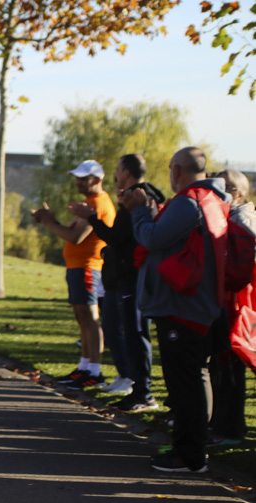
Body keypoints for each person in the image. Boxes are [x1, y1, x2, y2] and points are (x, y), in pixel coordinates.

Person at [126, 146, 226, 473]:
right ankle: (190, 448)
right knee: (193, 378)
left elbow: (152, 239)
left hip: (182, 305)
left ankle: (190, 455)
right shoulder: (210, 199)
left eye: (171, 169)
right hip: (195, 302)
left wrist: (140, 210)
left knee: (185, 383)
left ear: (178, 170)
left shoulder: (188, 201)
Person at [69, 154, 162, 411]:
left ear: (127, 173)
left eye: (118, 169)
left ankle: (143, 391)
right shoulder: (132, 198)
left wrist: (91, 218)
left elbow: (118, 237)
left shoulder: (137, 199)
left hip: (131, 278)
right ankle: (132, 383)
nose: (115, 174)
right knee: (123, 332)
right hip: (121, 278)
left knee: (136, 335)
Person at [31, 160, 115, 390]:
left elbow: (75, 237)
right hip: (78, 266)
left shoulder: (96, 204)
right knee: (83, 318)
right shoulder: (89, 203)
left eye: (83, 178)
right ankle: (84, 367)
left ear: (96, 180)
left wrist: (49, 222)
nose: (77, 182)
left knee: (90, 318)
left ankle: (94, 371)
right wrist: (51, 220)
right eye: (76, 177)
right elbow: (73, 233)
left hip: (88, 266)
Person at [208, 168, 253, 447]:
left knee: (230, 367)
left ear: (236, 193)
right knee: (222, 364)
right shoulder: (234, 216)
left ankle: (231, 428)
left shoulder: (244, 219)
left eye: (222, 188)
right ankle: (223, 424)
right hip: (230, 300)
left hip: (238, 303)